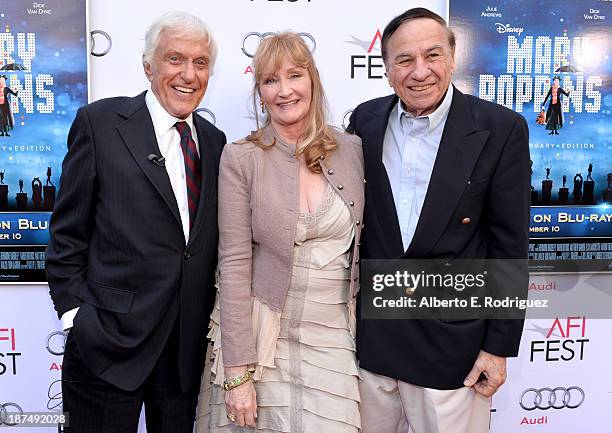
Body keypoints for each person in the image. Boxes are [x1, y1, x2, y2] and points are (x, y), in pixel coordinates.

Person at [348, 8, 530, 433]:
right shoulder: (365, 121)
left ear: (452, 55)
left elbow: (509, 246)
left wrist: (497, 348)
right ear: (387, 68)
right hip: (372, 343)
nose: (420, 72)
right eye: (404, 60)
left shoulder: (500, 128)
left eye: (432, 55)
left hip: (454, 348)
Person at [46, 11, 226, 433]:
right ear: (149, 66)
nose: (188, 74)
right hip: (106, 348)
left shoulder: (216, 144)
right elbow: (66, 234)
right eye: (174, 59)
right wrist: (78, 318)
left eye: (200, 63)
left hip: (183, 356)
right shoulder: (101, 123)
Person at [196, 32, 364, 433]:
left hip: (334, 340)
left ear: (314, 81)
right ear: (260, 92)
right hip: (260, 340)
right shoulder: (241, 158)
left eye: (295, 76)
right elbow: (233, 265)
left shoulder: (352, 149)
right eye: (271, 80)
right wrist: (237, 372)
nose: (285, 91)